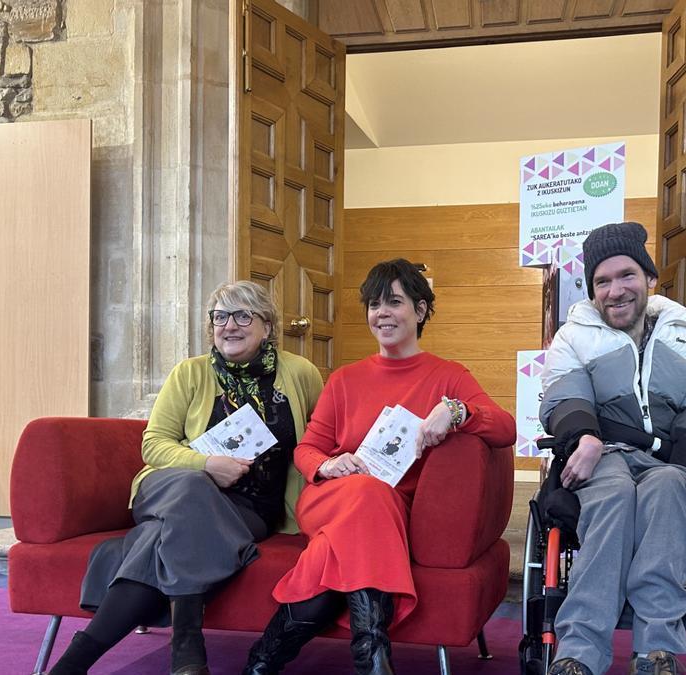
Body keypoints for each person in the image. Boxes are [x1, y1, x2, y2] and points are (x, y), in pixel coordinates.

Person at [242, 258, 515, 675]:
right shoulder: (345, 379)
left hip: (390, 510)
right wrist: (329, 465)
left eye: (394, 302)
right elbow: (307, 449)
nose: (381, 313)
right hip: (331, 498)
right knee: (366, 493)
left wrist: (456, 411)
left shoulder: (447, 376)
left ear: (420, 311)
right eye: (374, 304)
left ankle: (263, 661)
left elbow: (505, 427)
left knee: (351, 530)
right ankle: (371, 660)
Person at [49, 281, 323, 675]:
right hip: (169, 489)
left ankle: (73, 663)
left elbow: (319, 435)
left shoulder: (300, 373)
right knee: (192, 488)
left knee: (153, 542)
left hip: (247, 509)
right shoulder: (190, 373)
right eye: (220, 317)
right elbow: (154, 445)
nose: (230, 325)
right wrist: (206, 465)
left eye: (243, 315)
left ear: (268, 326)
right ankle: (186, 644)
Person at [539, 222, 686, 675]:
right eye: (602, 281)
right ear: (592, 289)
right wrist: (584, 436)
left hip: (668, 459)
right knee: (614, 493)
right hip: (602, 454)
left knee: (666, 487)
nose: (615, 290)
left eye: (626, 276)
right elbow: (566, 396)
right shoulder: (574, 335)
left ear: (649, 279)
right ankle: (579, 653)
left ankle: (656, 652)